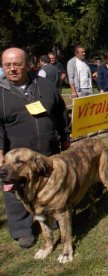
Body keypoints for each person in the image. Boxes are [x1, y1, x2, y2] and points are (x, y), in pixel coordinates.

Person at [0, 47, 71, 248]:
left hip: (48, 151)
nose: (12, 69)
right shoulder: (1, 92)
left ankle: (55, 216)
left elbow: (60, 111)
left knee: (52, 184)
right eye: (7, 65)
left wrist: (65, 134)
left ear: (28, 65)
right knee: (14, 191)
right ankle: (22, 230)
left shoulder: (45, 85)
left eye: (17, 64)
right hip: (16, 157)